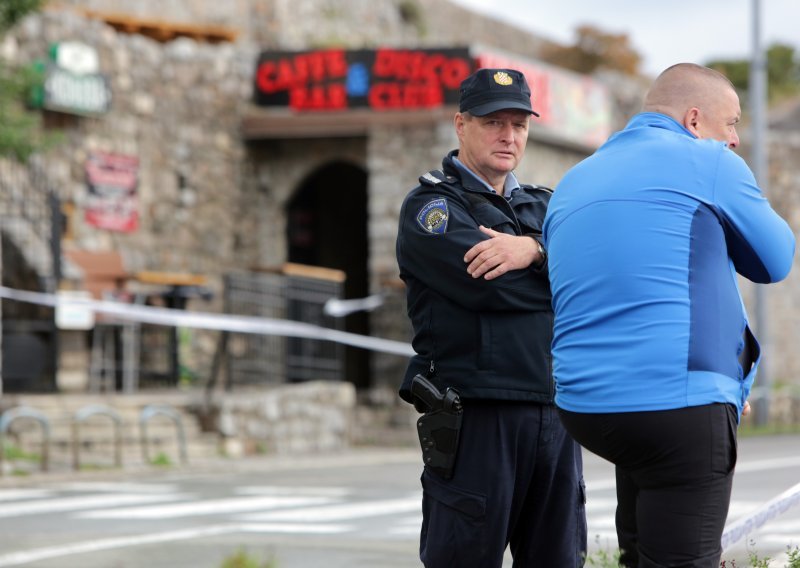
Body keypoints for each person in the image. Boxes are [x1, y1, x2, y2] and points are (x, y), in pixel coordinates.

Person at [543, 63, 796, 567]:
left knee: (641, 551)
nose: (737, 140)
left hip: (587, 407)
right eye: (733, 124)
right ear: (695, 120)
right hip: (677, 404)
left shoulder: (574, 178)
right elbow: (775, 259)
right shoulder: (709, 162)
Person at [395, 67, 587, 568]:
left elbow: (598, 279)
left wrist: (534, 251)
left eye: (519, 124)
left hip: (556, 414)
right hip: (478, 418)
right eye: (493, 122)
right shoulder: (432, 208)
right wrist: (557, 270)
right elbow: (491, 288)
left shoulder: (547, 207)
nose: (509, 136)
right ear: (461, 125)